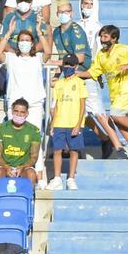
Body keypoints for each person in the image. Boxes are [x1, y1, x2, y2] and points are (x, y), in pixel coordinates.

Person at [80, 24, 128, 157]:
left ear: (114, 39)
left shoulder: (122, 49)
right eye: (101, 36)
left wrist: (127, 65)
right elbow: (92, 72)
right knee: (119, 122)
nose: (102, 39)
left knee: (115, 116)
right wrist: (74, 73)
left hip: (126, 88)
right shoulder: (101, 55)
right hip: (114, 92)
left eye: (105, 36)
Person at [47, 57, 85, 190]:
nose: (67, 67)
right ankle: (57, 178)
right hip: (59, 122)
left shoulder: (80, 83)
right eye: (65, 64)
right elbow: (55, 105)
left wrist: (78, 124)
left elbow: (82, 106)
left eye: (70, 65)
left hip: (73, 122)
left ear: (76, 67)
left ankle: (71, 178)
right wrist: (52, 124)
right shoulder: (59, 84)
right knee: (57, 149)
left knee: (74, 150)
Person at [0, 30, 47, 128]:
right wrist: (8, 33)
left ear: (32, 43)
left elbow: (48, 51)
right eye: (22, 40)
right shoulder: (11, 58)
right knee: (15, 135)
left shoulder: (38, 57)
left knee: (34, 135)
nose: (24, 42)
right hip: (15, 104)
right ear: (18, 42)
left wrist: (40, 34)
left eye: (27, 40)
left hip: (35, 103)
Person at [0, 99, 42, 184]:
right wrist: (6, 167)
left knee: (31, 174)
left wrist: (22, 167)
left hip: (24, 167)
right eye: (16, 111)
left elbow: (34, 157)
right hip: (4, 166)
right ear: (11, 111)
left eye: (22, 112)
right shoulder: (1, 128)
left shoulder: (34, 131)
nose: (19, 114)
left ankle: (30, 197)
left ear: (27, 113)